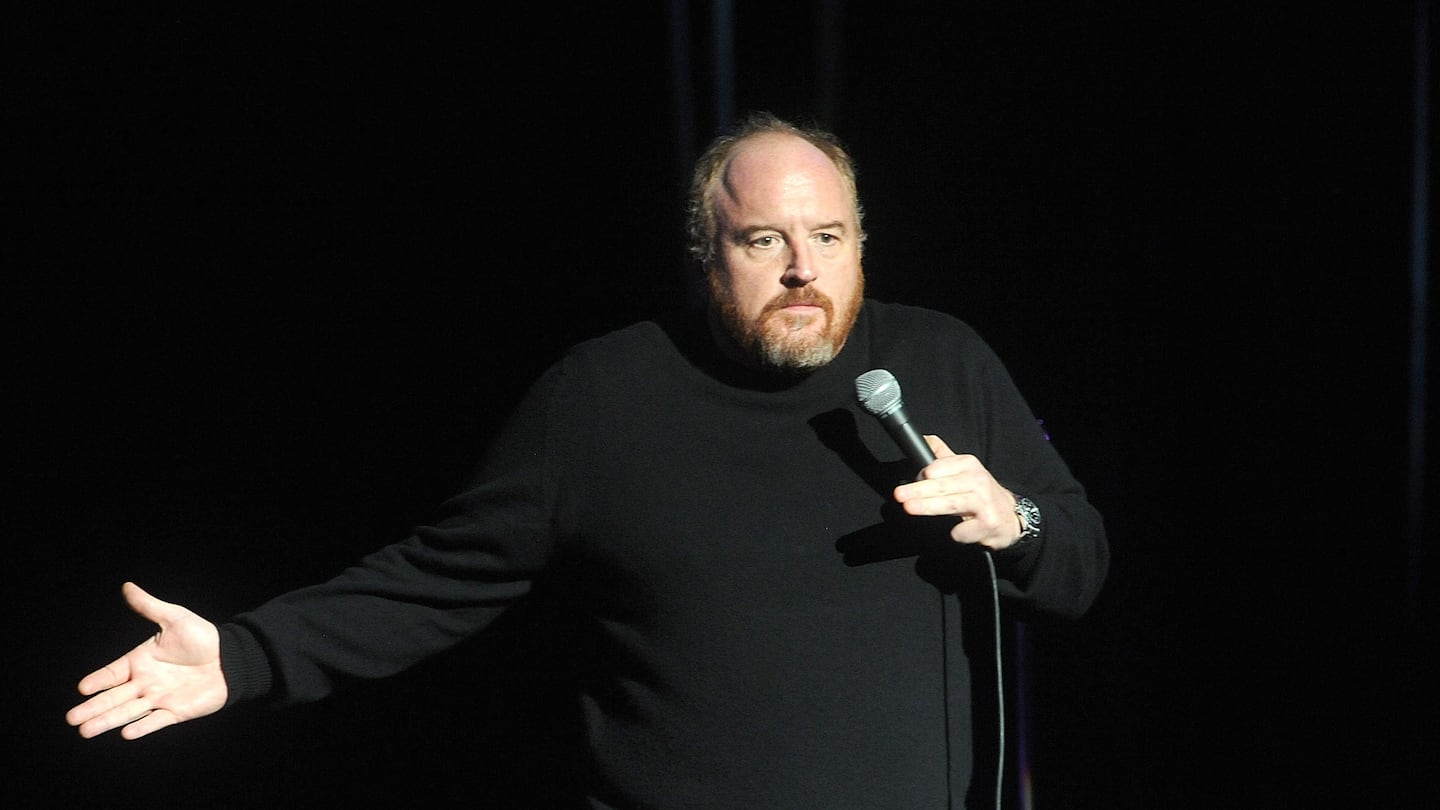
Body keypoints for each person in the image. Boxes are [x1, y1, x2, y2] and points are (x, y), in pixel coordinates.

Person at [66, 111, 1109, 808]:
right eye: (763, 243)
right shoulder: (603, 398)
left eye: (829, 238)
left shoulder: (938, 362)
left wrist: (1016, 523)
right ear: (707, 256)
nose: (803, 270)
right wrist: (246, 656)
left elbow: (1080, 562)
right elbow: (438, 578)